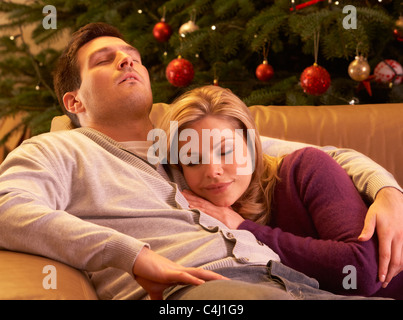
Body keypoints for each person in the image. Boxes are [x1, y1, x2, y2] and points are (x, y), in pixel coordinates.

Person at [0, 22, 401, 300]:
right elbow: (6, 207)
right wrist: (131, 255)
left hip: (291, 281)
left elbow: (326, 156)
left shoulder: (184, 140)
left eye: (132, 55)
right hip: (198, 292)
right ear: (74, 101)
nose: (127, 61)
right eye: (104, 60)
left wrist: (388, 190)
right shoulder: (56, 151)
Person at [160, 85, 403, 299]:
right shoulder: (199, 209)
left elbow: (360, 273)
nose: (212, 171)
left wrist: (245, 228)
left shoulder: (306, 168)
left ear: (252, 146)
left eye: (226, 151)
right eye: (193, 160)